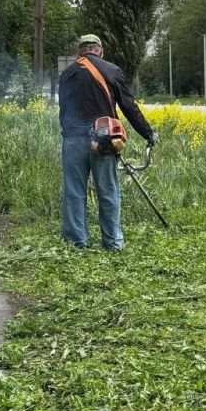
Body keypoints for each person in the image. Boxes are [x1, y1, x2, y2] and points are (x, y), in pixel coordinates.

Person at [58, 34, 157, 250]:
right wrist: (148, 133)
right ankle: (112, 242)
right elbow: (129, 107)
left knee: (74, 191)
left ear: (79, 52)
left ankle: (76, 242)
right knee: (108, 190)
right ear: (100, 51)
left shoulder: (67, 73)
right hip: (103, 139)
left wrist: (70, 134)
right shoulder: (112, 70)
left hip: (73, 139)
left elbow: (64, 110)